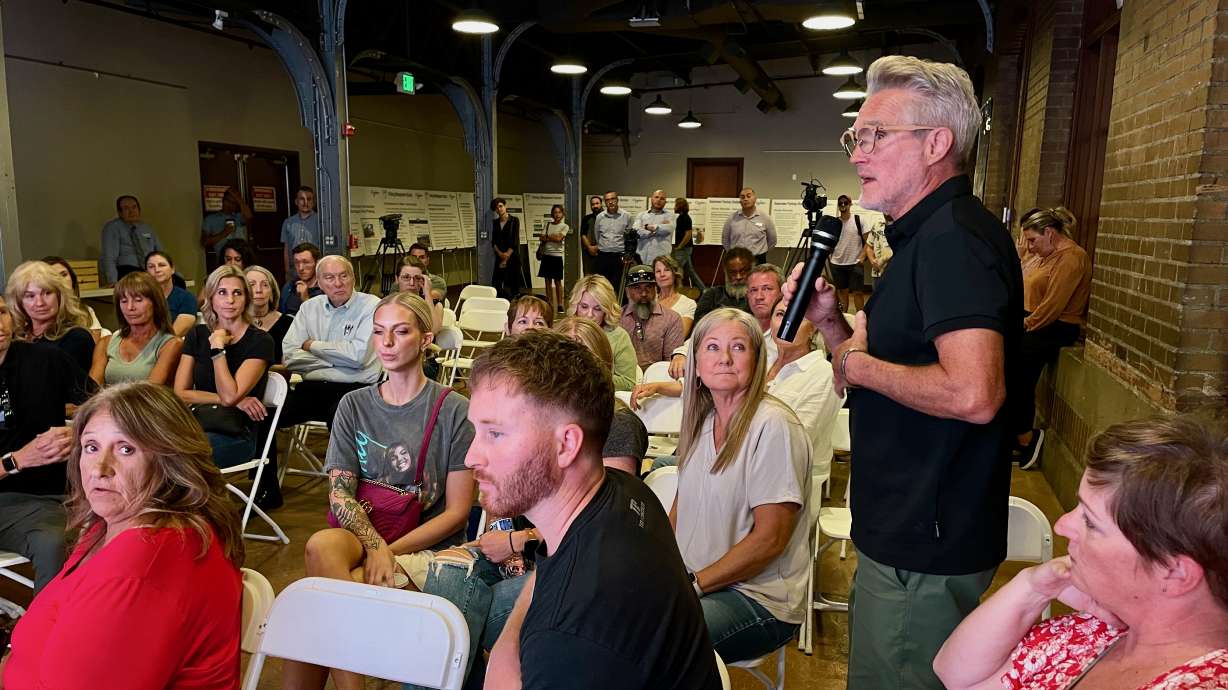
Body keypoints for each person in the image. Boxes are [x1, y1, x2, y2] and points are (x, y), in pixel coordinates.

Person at [782, 55, 1023, 690]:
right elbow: (887, 369)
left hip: (928, 537)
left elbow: (975, 393)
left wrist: (857, 362)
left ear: (937, 142)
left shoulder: (952, 242)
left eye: (873, 135)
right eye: (855, 137)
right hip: (907, 524)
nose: (858, 151)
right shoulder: (923, 238)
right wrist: (832, 325)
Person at [466, 331, 722, 689]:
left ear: (567, 444)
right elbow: (548, 571)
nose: (471, 457)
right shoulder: (625, 490)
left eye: (495, 434)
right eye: (475, 431)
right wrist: (509, 647)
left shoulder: (571, 641)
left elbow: (568, 628)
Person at [934, 416, 1228, 690]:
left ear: (1174, 572)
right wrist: (1032, 588)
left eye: (1090, 521)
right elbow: (955, 675)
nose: (1062, 525)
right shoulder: (1103, 626)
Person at [281, 292, 475, 690]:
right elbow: (338, 493)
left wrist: (391, 549)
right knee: (320, 546)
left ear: (424, 339)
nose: (385, 343)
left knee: (313, 610)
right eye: (378, 332)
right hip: (369, 533)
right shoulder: (354, 404)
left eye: (400, 332)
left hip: (427, 543)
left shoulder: (453, 409)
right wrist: (375, 546)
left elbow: (457, 512)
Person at [3, 382, 243, 689]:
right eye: (91, 447)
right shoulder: (107, 526)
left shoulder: (141, 567)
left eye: (126, 449)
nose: (99, 468)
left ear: (170, 459)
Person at [671, 308, 812, 663]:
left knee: (658, 643)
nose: (725, 359)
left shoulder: (774, 425)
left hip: (756, 598)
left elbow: (770, 540)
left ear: (757, 360)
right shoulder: (702, 422)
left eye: (739, 347)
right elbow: (680, 509)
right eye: (713, 348)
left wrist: (693, 584)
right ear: (697, 364)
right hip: (697, 581)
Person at [0, 293, 94, 592]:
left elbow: (104, 406)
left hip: (51, 497)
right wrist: (16, 460)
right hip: (7, 494)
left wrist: (80, 430)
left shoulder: (45, 359)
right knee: (53, 541)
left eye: (1, 312)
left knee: (53, 542)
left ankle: (52, 633)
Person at [173, 265, 280, 509]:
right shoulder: (197, 334)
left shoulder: (260, 341)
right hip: (198, 425)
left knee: (180, 459)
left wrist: (217, 349)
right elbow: (180, 392)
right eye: (222, 292)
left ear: (246, 298)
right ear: (210, 297)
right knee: (156, 452)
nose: (229, 300)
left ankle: (196, 525)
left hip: (238, 435)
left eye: (237, 293)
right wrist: (231, 399)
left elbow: (230, 394)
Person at [1011, 206, 1092, 470]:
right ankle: (1016, 434)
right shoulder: (1045, 256)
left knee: (1019, 375)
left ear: (1049, 233)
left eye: (1033, 240)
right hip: (1035, 320)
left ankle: (1028, 438)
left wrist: (1024, 324)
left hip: (1056, 325)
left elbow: (1053, 305)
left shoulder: (1072, 258)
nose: (1030, 246)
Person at [280, 255, 381, 429]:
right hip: (312, 388)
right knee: (264, 414)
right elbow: (289, 356)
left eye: (344, 276)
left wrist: (312, 345)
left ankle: (341, 458)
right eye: (330, 278)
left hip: (355, 389)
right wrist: (337, 361)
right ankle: (263, 458)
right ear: (319, 282)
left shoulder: (372, 306)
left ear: (353, 278)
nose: (338, 283)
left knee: (341, 420)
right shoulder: (309, 307)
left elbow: (358, 356)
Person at [553, 316, 650, 476]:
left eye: (585, 359)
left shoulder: (619, 425)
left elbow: (609, 497)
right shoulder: (541, 414)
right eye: (562, 358)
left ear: (604, 365)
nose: (572, 369)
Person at [89, 271, 182, 386]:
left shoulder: (171, 344)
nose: (130, 307)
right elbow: (93, 388)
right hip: (106, 403)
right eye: (124, 301)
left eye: (138, 300)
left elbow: (151, 391)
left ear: (155, 303)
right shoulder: (106, 343)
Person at [5, 260, 96, 374]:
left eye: (47, 293)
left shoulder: (76, 338)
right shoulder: (15, 337)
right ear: (19, 302)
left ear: (60, 296)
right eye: (30, 296)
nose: (39, 303)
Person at [566, 275, 638, 391]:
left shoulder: (619, 336)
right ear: (576, 306)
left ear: (606, 310)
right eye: (584, 307)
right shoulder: (566, 331)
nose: (589, 315)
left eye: (597, 309)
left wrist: (590, 376)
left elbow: (628, 383)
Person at [620, 264, 684, 368]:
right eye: (637, 288)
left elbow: (671, 364)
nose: (644, 293)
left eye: (648, 287)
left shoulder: (672, 319)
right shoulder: (616, 318)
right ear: (627, 291)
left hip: (657, 378)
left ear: (656, 289)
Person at [100, 194, 163, 284]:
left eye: (134, 207)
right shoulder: (113, 228)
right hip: (127, 270)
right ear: (120, 212)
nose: (131, 211)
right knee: (143, 282)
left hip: (149, 269)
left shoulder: (146, 229)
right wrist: (113, 280)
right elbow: (109, 257)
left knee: (178, 282)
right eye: (126, 208)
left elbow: (160, 252)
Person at [828, 194, 870, 313]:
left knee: (858, 292)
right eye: (840, 203)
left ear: (850, 204)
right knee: (842, 292)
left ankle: (861, 318)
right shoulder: (835, 223)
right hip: (837, 264)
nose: (842, 205)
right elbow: (830, 242)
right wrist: (831, 256)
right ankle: (845, 318)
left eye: (845, 202)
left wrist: (862, 257)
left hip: (855, 263)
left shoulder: (858, 220)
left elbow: (869, 242)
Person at [246, 266, 294, 364]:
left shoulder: (289, 323)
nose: (258, 290)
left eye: (265, 285)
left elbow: (292, 366)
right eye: (252, 285)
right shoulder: (234, 323)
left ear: (272, 292)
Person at [42, 256, 103, 334]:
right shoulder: (40, 314)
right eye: (53, 277)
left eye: (64, 274)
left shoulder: (85, 311)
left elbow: (95, 342)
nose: (61, 280)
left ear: (72, 279)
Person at [694, 246, 754, 324]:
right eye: (733, 273)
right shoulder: (712, 295)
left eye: (743, 272)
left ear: (752, 271)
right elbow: (700, 324)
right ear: (725, 272)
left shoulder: (759, 297)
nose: (738, 277)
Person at [145, 250, 198, 337]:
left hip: (171, 345)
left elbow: (175, 334)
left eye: (162, 265)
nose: (157, 270)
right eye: (151, 267)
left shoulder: (187, 298)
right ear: (146, 272)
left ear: (172, 269)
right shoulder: (140, 297)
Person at [592, 191, 635, 291]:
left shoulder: (627, 216)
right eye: (607, 200)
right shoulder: (600, 217)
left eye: (612, 199)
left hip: (619, 257)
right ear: (605, 202)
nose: (610, 202)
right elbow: (597, 236)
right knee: (601, 287)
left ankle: (618, 307)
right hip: (603, 257)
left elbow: (630, 238)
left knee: (619, 287)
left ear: (617, 200)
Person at [722, 187, 777, 264]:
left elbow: (772, 241)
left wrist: (762, 252)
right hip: (737, 259)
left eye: (748, 196)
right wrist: (733, 254)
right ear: (740, 201)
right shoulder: (732, 218)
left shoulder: (765, 218)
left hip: (758, 260)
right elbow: (725, 240)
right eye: (742, 197)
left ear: (755, 199)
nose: (745, 199)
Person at [201, 186, 252, 267]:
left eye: (233, 202)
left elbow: (249, 216)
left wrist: (238, 198)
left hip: (242, 262)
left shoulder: (239, 217)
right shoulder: (211, 219)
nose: (230, 205)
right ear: (223, 200)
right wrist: (225, 232)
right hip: (223, 262)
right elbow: (204, 242)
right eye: (228, 201)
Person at [395, 255, 444, 333]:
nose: (411, 283)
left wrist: (428, 293)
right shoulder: (390, 304)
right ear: (397, 279)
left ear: (423, 280)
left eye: (417, 278)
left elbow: (434, 330)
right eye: (406, 277)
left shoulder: (435, 305)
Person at [654, 254, 697, 337]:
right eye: (658, 271)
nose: (662, 274)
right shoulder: (648, 302)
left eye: (667, 270)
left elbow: (680, 337)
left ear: (675, 273)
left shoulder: (689, 304)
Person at [281, 185, 322, 272]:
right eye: (302, 199)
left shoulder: (321, 222)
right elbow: (286, 249)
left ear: (313, 202)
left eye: (309, 199)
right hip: (294, 270)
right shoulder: (288, 222)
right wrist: (287, 271)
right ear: (296, 201)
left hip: (314, 269)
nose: (305, 202)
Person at [537, 204, 569, 314]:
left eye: (559, 212)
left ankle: (560, 304)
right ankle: (549, 303)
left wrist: (549, 237)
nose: (557, 214)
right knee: (547, 281)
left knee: (558, 282)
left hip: (557, 256)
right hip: (546, 256)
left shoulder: (565, 226)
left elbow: (559, 238)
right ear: (552, 214)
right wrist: (553, 237)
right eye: (555, 212)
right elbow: (541, 237)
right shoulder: (548, 224)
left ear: (562, 213)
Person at [280, 242, 325, 316]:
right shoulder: (289, 287)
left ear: (317, 263)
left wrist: (306, 299)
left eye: (306, 262)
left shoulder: (325, 289)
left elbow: (324, 322)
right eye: (297, 262)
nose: (300, 268)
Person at [491, 197, 523, 299]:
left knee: (514, 283)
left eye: (500, 206)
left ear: (505, 206)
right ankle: (501, 303)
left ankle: (514, 307)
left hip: (512, 256)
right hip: (500, 256)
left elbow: (514, 240)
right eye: (496, 208)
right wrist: (500, 254)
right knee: (496, 282)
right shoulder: (495, 223)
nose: (499, 209)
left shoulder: (514, 220)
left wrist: (506, 257)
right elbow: (494, 241)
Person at [672, 197, 706, 290]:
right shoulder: (681, 217)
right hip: (684, 248)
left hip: (683, 249)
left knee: (677, 270)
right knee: (690, 272)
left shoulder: (685, 218)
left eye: (675, 205)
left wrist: (679, 246)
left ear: (680, 206)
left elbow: (688, 234)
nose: (674, 207)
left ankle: (677, 291)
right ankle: (704, 290)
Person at [634, 189, 674, 266]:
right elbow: (637, 231)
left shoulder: (670, 216)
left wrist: (645, 227)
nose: (659, 200)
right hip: (641, 258)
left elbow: (668, 229)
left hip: (662, 260)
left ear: (665, 202)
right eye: (656, 197)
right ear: (652, 199)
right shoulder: (641, 215)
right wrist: (656, 229)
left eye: (662, 199)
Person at [746, 263, 784, 333]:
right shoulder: (739, 330)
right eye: (754, 290)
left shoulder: (791, 333)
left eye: (767, 289)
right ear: (747, 294)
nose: (759, 297)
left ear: (782, 292)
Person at [579, 194, 604, 275]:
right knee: (588, 276)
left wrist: (597, 247)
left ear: (601, 204)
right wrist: (590, 248)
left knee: (602, 277)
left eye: (597, 203)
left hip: (603, 252)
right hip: (588, 253)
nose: (595, 206)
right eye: (593, 204)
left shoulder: (607, 217)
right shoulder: (586, 218)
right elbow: (583, 234)